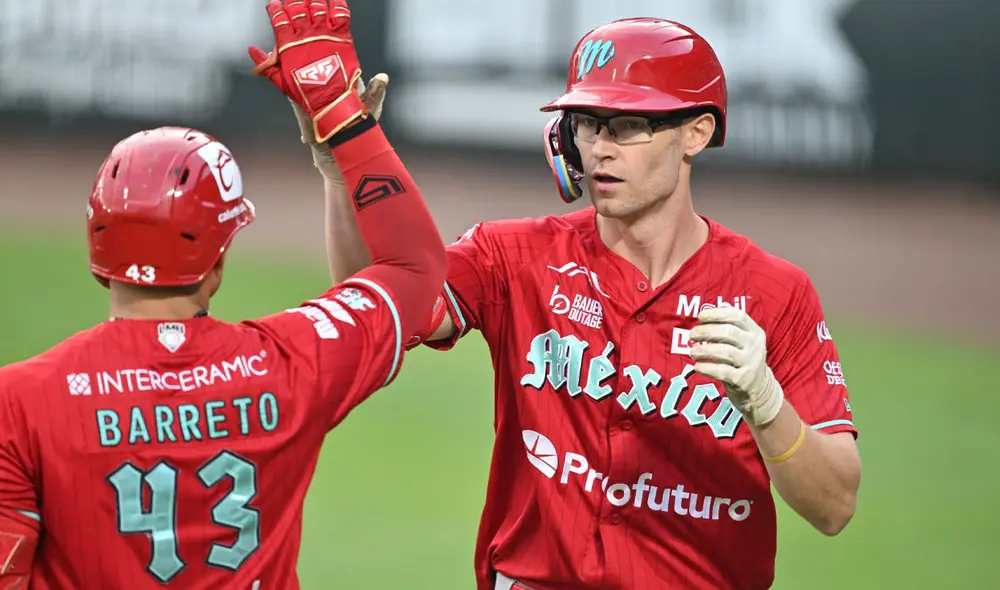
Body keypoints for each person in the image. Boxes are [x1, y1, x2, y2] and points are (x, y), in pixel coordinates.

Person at [309, 17, 862, 590]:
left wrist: (767, 406)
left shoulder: (774, 293)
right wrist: (343, 167)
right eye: (588, 124)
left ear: (696, 133)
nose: (600, 149)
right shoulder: (514, 257)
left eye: (629, 126)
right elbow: (376, 308)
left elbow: (834, 506)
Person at [0, 1, 446, 588]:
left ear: (99, 255)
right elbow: (413, 269)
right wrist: (344, 126)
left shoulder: (19, 403)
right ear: (218, 260)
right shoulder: (292, 364)